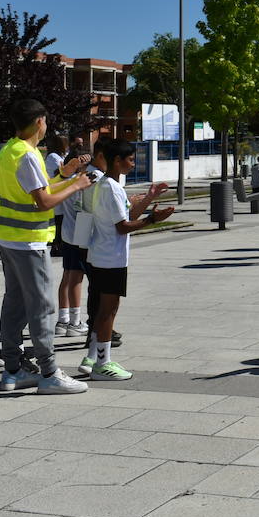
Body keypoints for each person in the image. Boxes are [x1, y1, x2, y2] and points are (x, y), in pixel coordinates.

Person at [0, 99, 95, 395]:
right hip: (27, 242)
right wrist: (75, 186)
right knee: (40, 306)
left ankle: (13, 370)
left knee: (15, 302)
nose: (47, 126)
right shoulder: (27, 155)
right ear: (39, 122)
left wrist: (65, 176)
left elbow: (40, 189)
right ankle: (49, 373)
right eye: (46, 121)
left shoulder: (11, 150)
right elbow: (43, 201)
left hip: (9, 238)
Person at [78, 140, 173, 381]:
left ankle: (92, 357)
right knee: (108, 311)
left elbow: (128, 215)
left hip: (101, 255)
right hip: (111, 258)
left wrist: (149, 197)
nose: (133, 164)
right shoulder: (111, 188)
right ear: (117, 161)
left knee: (103, 310)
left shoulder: (104, 184)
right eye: (130, 160)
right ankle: (103, 363)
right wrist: (153, 220)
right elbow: (123, 227)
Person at [56, 138, 106, 339]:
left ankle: (63, 319)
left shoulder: (65, 184)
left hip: (68, 232)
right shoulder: (86, 181)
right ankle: (75, 322)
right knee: (77, 276)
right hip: (82, 233)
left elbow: (58, 210)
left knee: (68, 275)